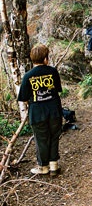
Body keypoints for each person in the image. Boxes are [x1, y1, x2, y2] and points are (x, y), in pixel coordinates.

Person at [17, 44, 63, 176]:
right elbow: (58, 90)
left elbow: (23, 98)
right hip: (54, 110)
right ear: (45, 59)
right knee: (54, 136)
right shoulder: (53, 71)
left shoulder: (27, 76)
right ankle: (54, 165)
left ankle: (43, 166)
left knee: (41, 139)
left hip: (37, 113)